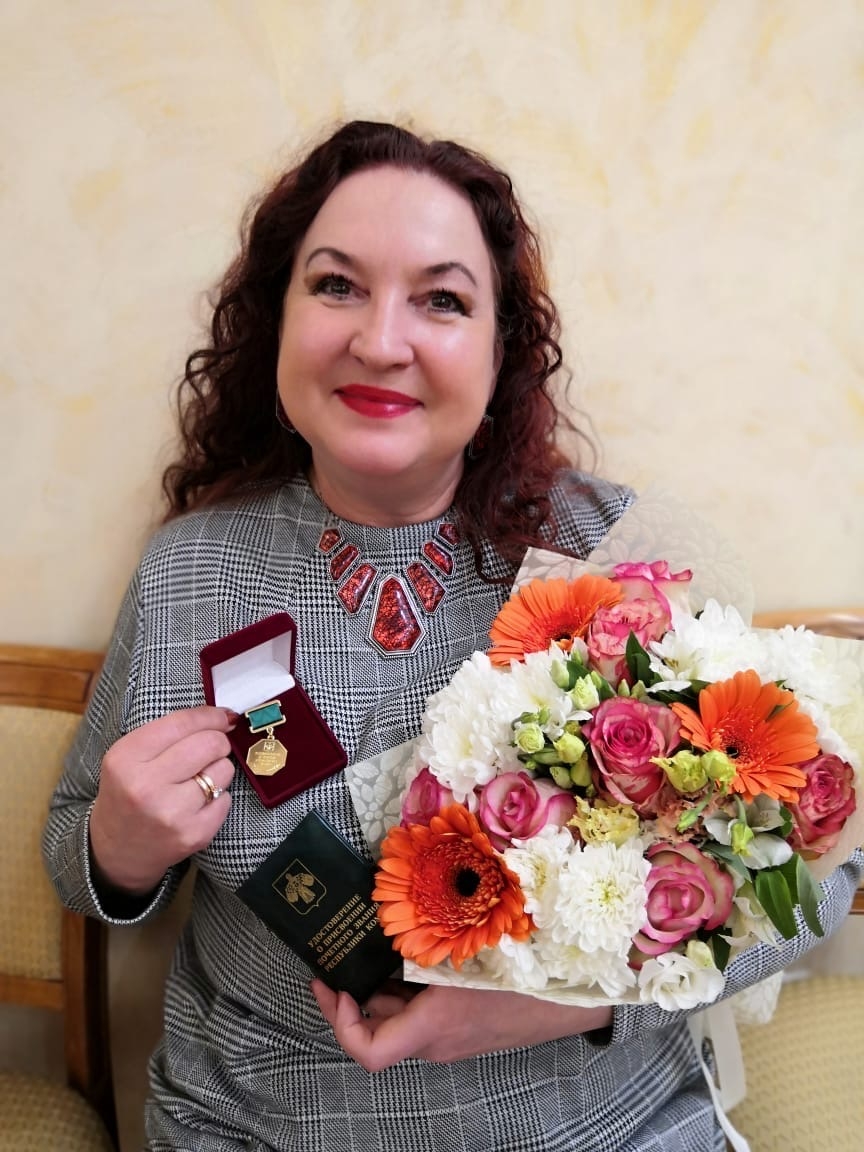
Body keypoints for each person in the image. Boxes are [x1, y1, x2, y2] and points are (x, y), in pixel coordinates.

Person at [43, 120, 861, 1152]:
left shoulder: (618, 561)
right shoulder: (191, 570)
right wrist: (117, 849)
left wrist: (566, 1008)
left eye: (441, 300)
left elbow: (819, 878)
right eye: (336, 285)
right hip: (259, 1127)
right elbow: (73, 849)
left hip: (601, 1126)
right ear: (276, 320)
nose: (381, 341)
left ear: (500, 349)